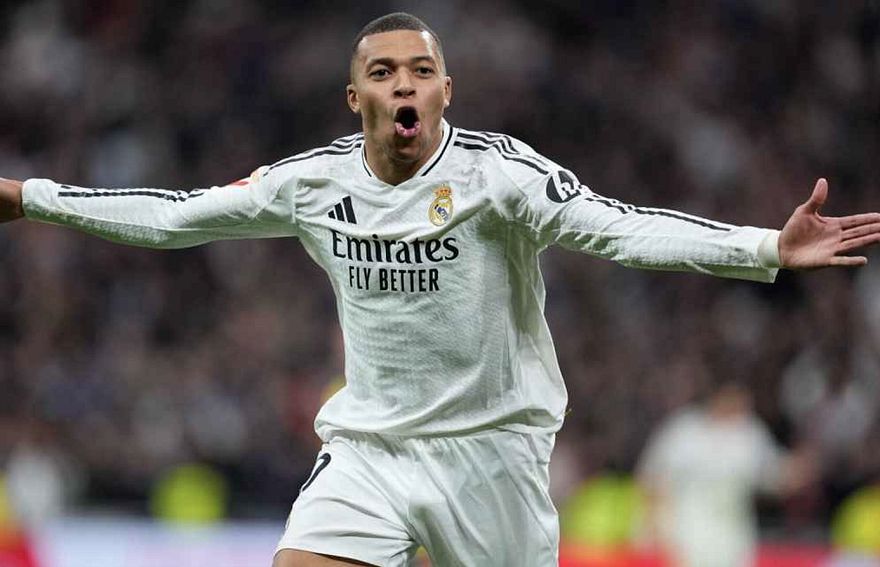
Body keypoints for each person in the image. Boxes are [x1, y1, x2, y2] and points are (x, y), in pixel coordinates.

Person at [0, 12, 879, 567]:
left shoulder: (501, 177)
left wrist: (765, 246)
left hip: (492, 457)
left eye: (420, 70)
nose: (404, 84)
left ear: (446, 90)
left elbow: (621, 227)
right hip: (372, 449)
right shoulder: (312, 184)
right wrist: (30, 197)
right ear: (354, 97)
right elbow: (173, 216)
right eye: (383, 72)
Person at [637, 380, 814, 567]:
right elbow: (653, 475)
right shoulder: (684, 431)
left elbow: (774, 475)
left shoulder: (749, 433)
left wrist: (799, 469)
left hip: (733, 532)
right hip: (688, 529)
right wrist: (654, 521)